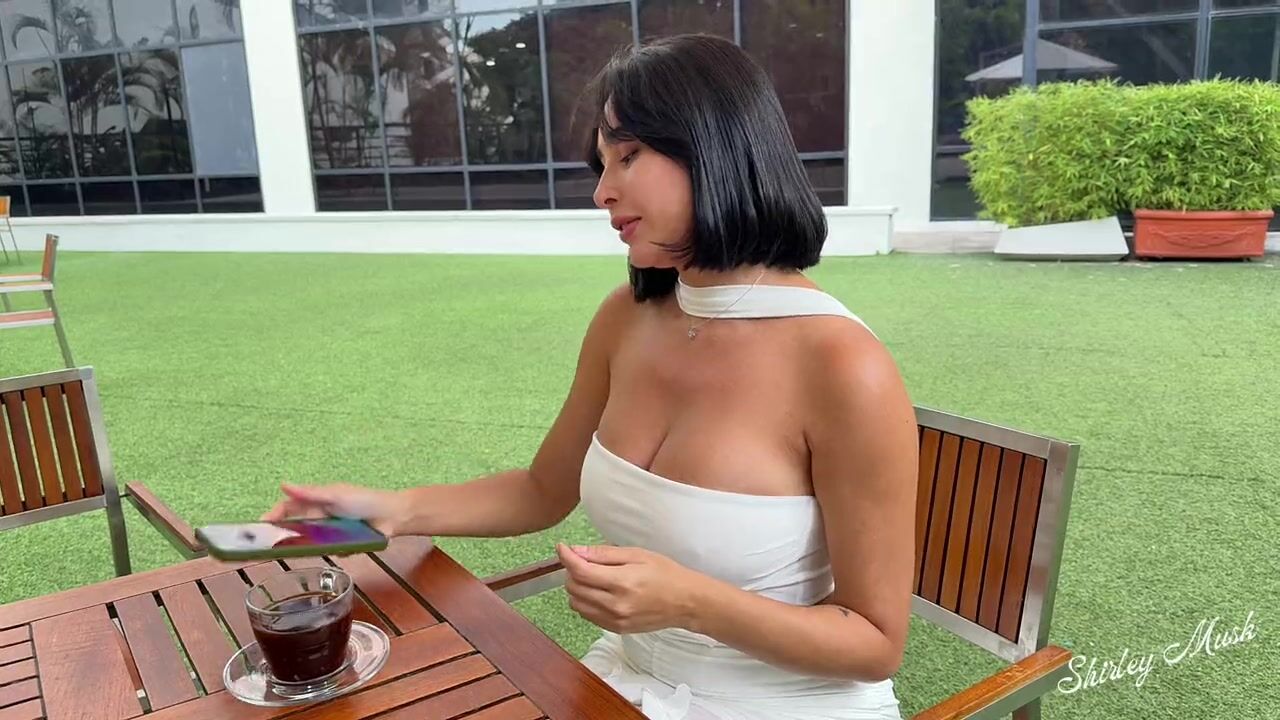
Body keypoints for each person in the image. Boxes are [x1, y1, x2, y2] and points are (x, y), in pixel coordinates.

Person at [263, 33, 919, 720]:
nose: (604, 192)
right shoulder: (626, 318)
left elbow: (876, 642)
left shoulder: (844, 367)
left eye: (629, 156)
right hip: (624, 684)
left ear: (717, 146)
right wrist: (394, 510)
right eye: (602, 165)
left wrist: (693, 603)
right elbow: (543, 489)